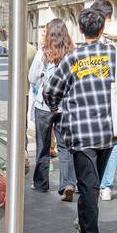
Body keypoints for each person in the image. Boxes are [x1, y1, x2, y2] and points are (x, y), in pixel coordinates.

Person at [41, 7, 117, 233]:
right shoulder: (116, 56)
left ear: (80, 29)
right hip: (108, 132)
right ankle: (85, 226)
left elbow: (50, 90)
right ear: (102, 28)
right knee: (91, 183)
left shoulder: (73, 58)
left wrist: (56, 107)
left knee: (88, 185)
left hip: (81, 131)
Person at [29, 18, 77, 201]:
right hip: (65, 107)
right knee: (65, 146)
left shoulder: (43, 53)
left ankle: (41, 183)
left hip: (44, 105)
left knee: (43, 144)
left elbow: (32, 78)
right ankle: (68, 184)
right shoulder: (72, 54)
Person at [90, 0, 117, 202]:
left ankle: (94, 181)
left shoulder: (96, 36)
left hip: (96, 96)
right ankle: (106, 186)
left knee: (95, 140)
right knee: (115, 141)